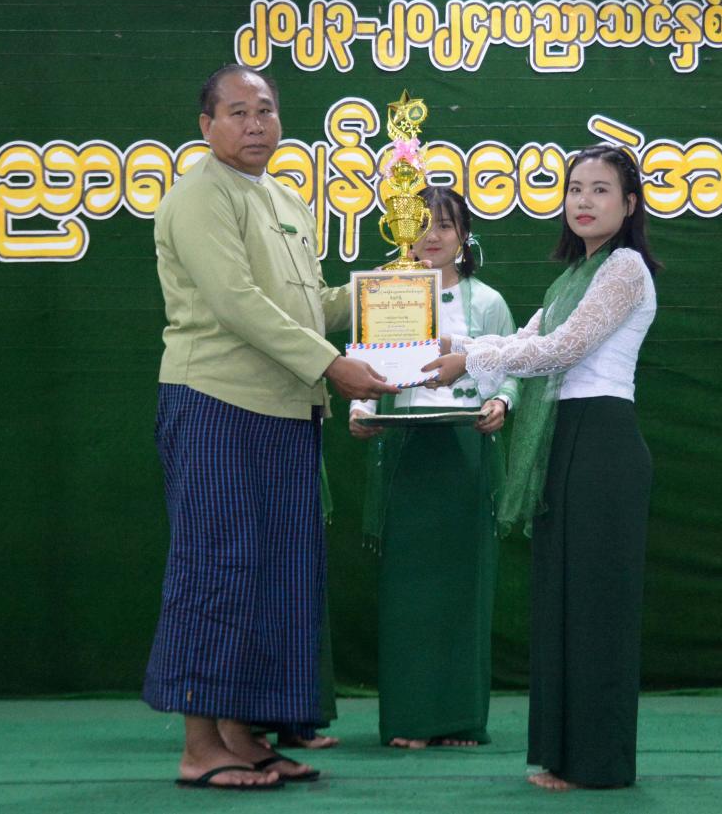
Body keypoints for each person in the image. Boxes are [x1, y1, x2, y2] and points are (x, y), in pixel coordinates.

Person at [143, 63, 397, 790]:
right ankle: (200, 745)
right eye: (238, 112)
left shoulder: (283, 197)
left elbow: (306, 303)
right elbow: (237, 303)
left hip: (287, 410)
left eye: (266, 110)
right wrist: (332, 365)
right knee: (217, 568)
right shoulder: (199, 196)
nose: (255, 124)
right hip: (216, 402)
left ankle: (245, 736)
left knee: (276, 577)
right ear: (207, 125)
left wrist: (390, 290)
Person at [425, 144, 660, 791]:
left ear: (629, 204)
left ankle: (600, 763)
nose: (584, 201)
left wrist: (468, 359)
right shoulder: (571, 278)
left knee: (597, 608)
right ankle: (562, 755)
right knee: (563, 602)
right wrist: (449, 344)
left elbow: (562, 349)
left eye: (601, 190)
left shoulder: (625, 268)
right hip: (565, 439)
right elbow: (526, 339)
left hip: (603, 443)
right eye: (575, 188)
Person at [350, 187, 518, 749]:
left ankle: (460, 720)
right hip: (406, 449)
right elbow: (364, 364)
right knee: (408, 589)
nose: (432, 236)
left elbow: (512, 367)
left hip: (465, 449)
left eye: (445, 225)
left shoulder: (488, 301)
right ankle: (411, 720)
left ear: (464, 234)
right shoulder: (384, 292)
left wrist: (502, 402)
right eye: (421, 224)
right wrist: (359, 410)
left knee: (464, 586)